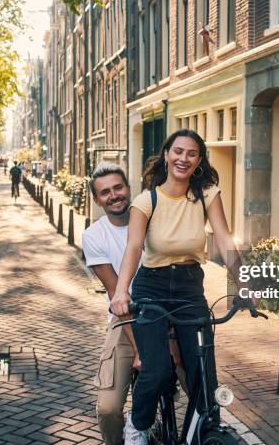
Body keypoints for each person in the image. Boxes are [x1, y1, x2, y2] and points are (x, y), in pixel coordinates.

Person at [110, 129, 244, 445]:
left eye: (192, 153)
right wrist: (121, 291)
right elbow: (133, 248)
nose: (184, 158)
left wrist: (243, 282)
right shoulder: (146, 200)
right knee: (155, 370)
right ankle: (137, 425)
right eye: (178, 151)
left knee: (202, 371)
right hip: (151, 287)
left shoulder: (207, 194)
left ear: (199, 161)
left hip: (188, 288)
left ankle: (205, 430)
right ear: (167, 154)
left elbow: (224, 238)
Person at [83, 163, 184, 445]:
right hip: (126, 322)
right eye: (105, 192)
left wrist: (173, 339)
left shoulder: (157, 224)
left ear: (129, 188)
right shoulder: (94, 236)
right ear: (97, 199)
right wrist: (141, 351)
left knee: (202, 390)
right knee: (108, 408)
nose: (114, 195)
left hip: (168, 316)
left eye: (118, 187)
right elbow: (118, 294)